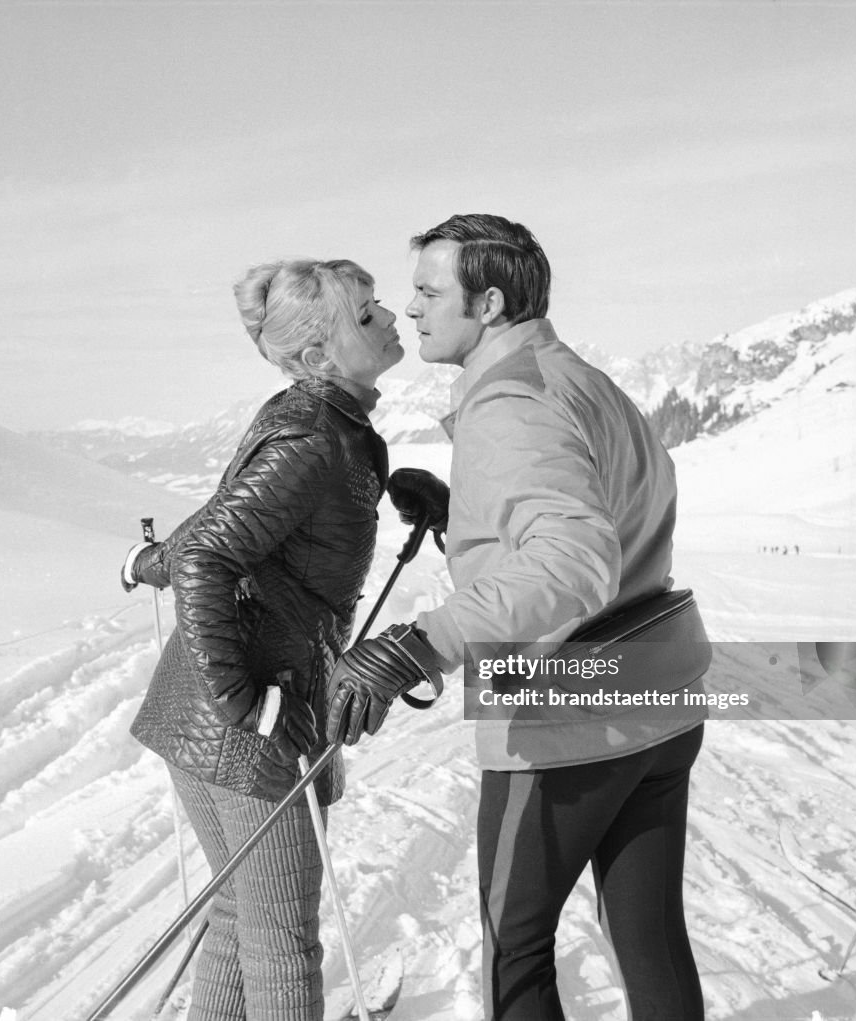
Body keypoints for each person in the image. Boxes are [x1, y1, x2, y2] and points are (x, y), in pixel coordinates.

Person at [326, 214, 711, 1020]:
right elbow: (625, 502)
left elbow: (572, 557)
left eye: (430, 292)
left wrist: (422, 644)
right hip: (659, 687)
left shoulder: (508, 403)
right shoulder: (578, 378)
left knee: (518, 945)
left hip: (569, 715)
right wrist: (466, 513)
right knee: (647, 929)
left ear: (489, 301)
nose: (415, 309)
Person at [121, 258, 402, 1021]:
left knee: (239, 918)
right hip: (250, 721)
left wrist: (154, 560)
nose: (391, 316)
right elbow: (212, 551)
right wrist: (245, 703)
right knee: (281, 939)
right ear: (317, 356)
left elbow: (219, 527)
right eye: (368, 312)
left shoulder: (320, 422)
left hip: (204, 709)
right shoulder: (315, 438)